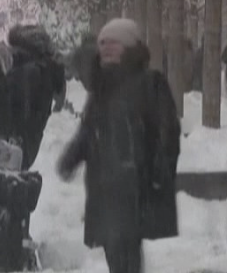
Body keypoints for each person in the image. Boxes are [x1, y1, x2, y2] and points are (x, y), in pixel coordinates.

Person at [57, 19, 179, 273]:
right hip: (104, 183)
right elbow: (88, 131)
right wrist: (71, 157)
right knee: (114, 248)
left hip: (136, 182)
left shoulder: (150, 82)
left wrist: (160, 169)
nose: (106, 48)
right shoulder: (100, 89)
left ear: (130, 46)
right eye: (102, 43)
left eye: (114, 42)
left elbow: (168, 131)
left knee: (127, 247)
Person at [0, 24, 62, 170]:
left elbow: (6, 103)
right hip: (9, 149)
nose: (11, 52)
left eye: (15, 48)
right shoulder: (34, 70)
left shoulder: (31, 73)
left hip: (8, 150)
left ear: (26, 49)